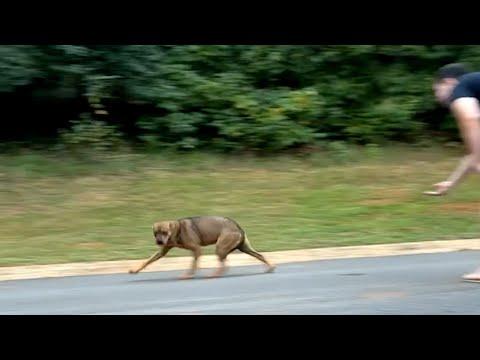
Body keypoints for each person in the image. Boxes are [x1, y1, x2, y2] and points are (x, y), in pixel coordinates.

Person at [427, 63, 480, 281]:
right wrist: (451, 183)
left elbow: (471, 119)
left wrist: (479, 159)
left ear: (448, 82)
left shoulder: (462, 88)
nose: (437, 96)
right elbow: (471, 154)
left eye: (436, 90)